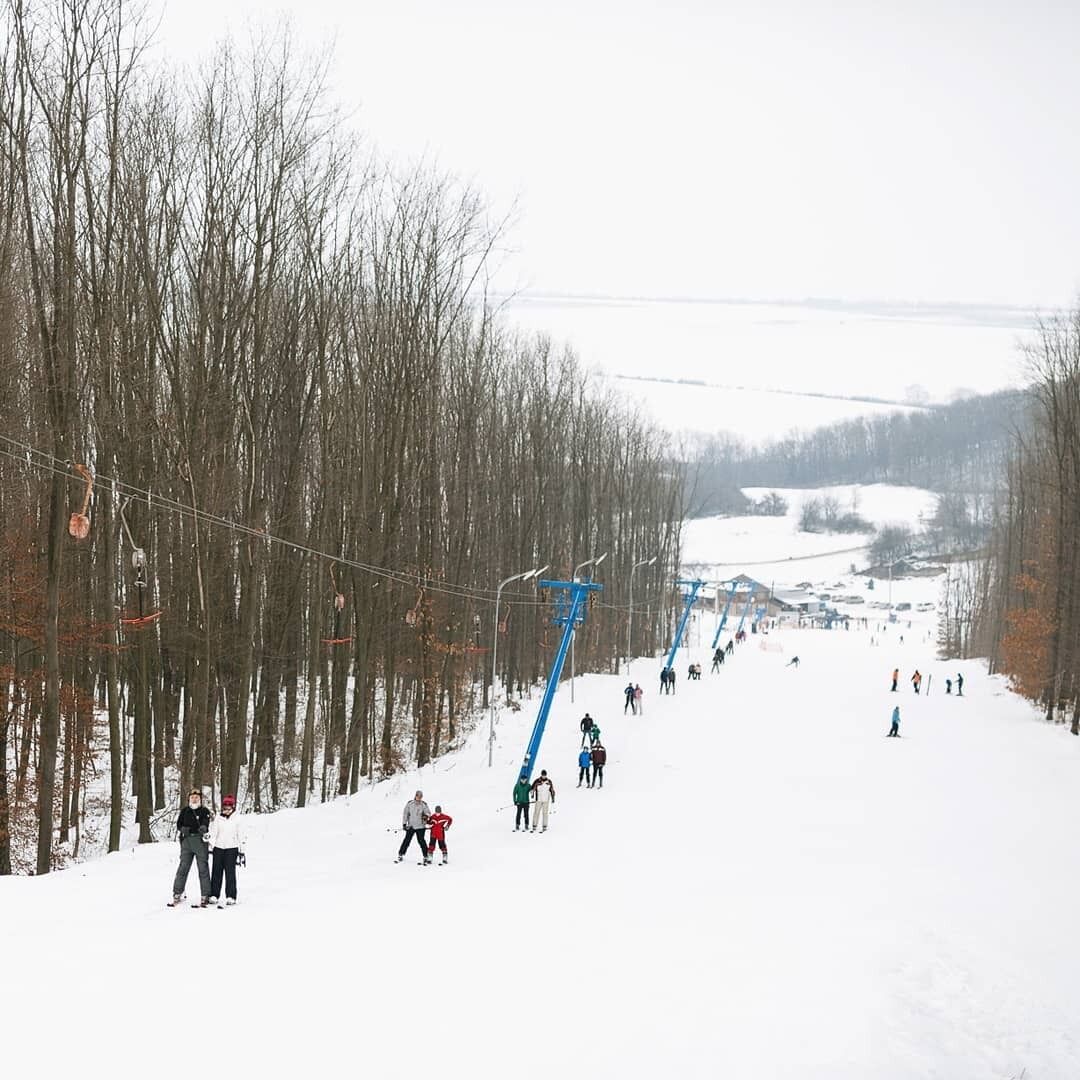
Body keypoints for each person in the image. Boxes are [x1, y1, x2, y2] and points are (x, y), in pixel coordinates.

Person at [169, 789, 212, 907]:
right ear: (189, 799)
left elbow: (206, 821)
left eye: (197, 797)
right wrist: (182, 829)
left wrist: (203, 827)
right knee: (183, 868)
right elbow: (179, 824)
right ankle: (178, 892)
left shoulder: (204, 811)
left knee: (203, 869)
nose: (194, 799)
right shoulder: (185, 811)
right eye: (192, 797)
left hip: (199, 841)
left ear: (200, 799)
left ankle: (205, 894)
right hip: (187, 841)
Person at [207, 793, 244, 907]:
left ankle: (231, 896)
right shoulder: (218, 819)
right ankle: (214, 894)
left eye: (229, 808)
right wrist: (209, 841)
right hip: (218, 848)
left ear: (233, 808)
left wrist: (242, 850)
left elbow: (241, 835)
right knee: (216, 872)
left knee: (230, 873)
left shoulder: (238, 819)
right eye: (225, 808)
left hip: (231, 848)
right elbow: (214, 832)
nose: (226, 810)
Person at [396, 790, 431, 864]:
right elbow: (405, 814)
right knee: (407, 840)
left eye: (421, 797)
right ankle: (401, 854)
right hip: (411, 826)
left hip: (421, 826)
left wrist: (426, 816)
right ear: (415, 796)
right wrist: (404, 824)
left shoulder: (423, 804)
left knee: (421, 841)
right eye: (418, 796)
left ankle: (426, 856)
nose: (419, 798)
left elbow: (428, 812)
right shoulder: (410, 804)